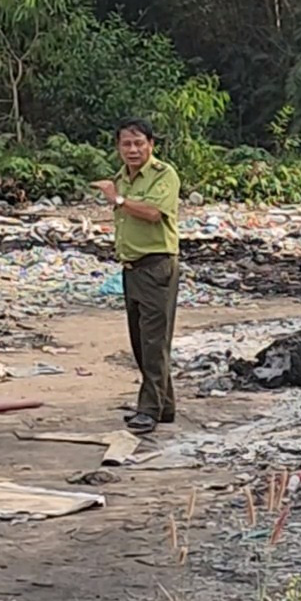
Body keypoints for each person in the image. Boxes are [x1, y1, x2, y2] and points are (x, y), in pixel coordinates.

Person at [93, 118, 182, 434]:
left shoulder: (164, 175)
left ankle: (148, 410)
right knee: (141, 342)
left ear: (151, 145)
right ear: (118, 147)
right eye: (126, 144)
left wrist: (116, 199)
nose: (132, 150)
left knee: (154, 340)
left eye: (138, 143)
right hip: (131, 268)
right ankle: (164, 406)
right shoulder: (122, 178)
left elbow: (153, 213)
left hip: (157, 265)